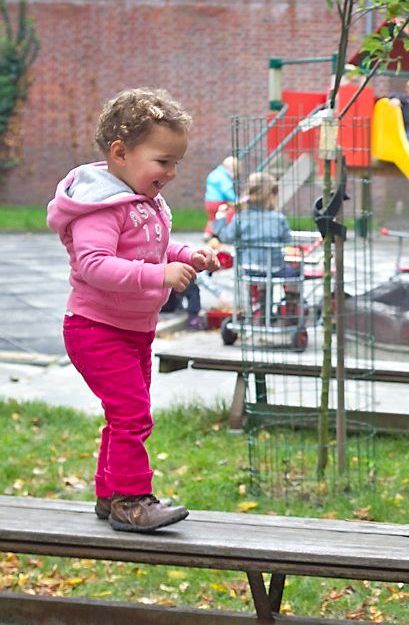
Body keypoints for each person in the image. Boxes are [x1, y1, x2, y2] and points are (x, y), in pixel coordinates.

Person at [46, 88, 219, 532]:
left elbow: (153, 247)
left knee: (124, 413)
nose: (173, 172)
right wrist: (158, 275)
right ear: (121, 153)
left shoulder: (141, 199)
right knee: (132, 414)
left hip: (132, 329)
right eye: (163, 161)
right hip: (95, 329)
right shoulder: (100, 206)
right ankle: (130, 499)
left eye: (176, 162)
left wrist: (187, 255)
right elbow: (94, 264)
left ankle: (109, 494)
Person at [212, 171, 301, 319]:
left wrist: (220, 217)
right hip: (274, 268)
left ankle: (260, 308)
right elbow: (287, 239)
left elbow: (226, 237)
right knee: (294, 272)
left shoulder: (240, 218)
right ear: (271, 195)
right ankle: (291, 309)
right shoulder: (278, 219)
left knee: (258, 276)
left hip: (249, 268)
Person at [204, 155, 237, 238]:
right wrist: (236, 199)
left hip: (209, 201)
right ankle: (222, 233)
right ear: (231, 168)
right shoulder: (224, 177)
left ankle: (207, 234)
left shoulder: (214, 173)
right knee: (229, 213)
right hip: (219, 201)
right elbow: (227, 191)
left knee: (212, 218)